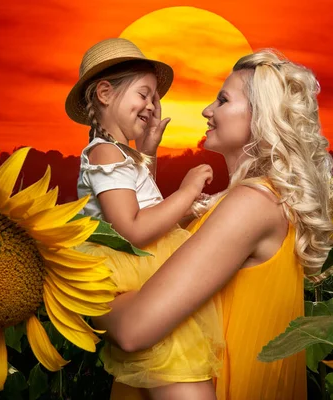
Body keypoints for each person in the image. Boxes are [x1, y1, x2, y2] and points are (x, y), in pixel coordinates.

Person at [94, 49, 333, 400]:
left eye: (222, 100)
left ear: (261, 116)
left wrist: (79, 291)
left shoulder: (253, 203)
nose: (207, 110)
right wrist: (146, 154)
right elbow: (143, 237)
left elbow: (135, 329)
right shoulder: (244, 200)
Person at [66, 38, 224, 400]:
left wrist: (147, 152)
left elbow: (135, 195)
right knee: (177, 361)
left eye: (154, 98)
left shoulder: (114, 153)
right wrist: (184, 194)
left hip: (137, 268)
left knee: (164, 363)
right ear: (105, 93)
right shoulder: (105, 152)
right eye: (144, 94)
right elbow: (131, 228)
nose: (151, 107)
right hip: (134, 267)